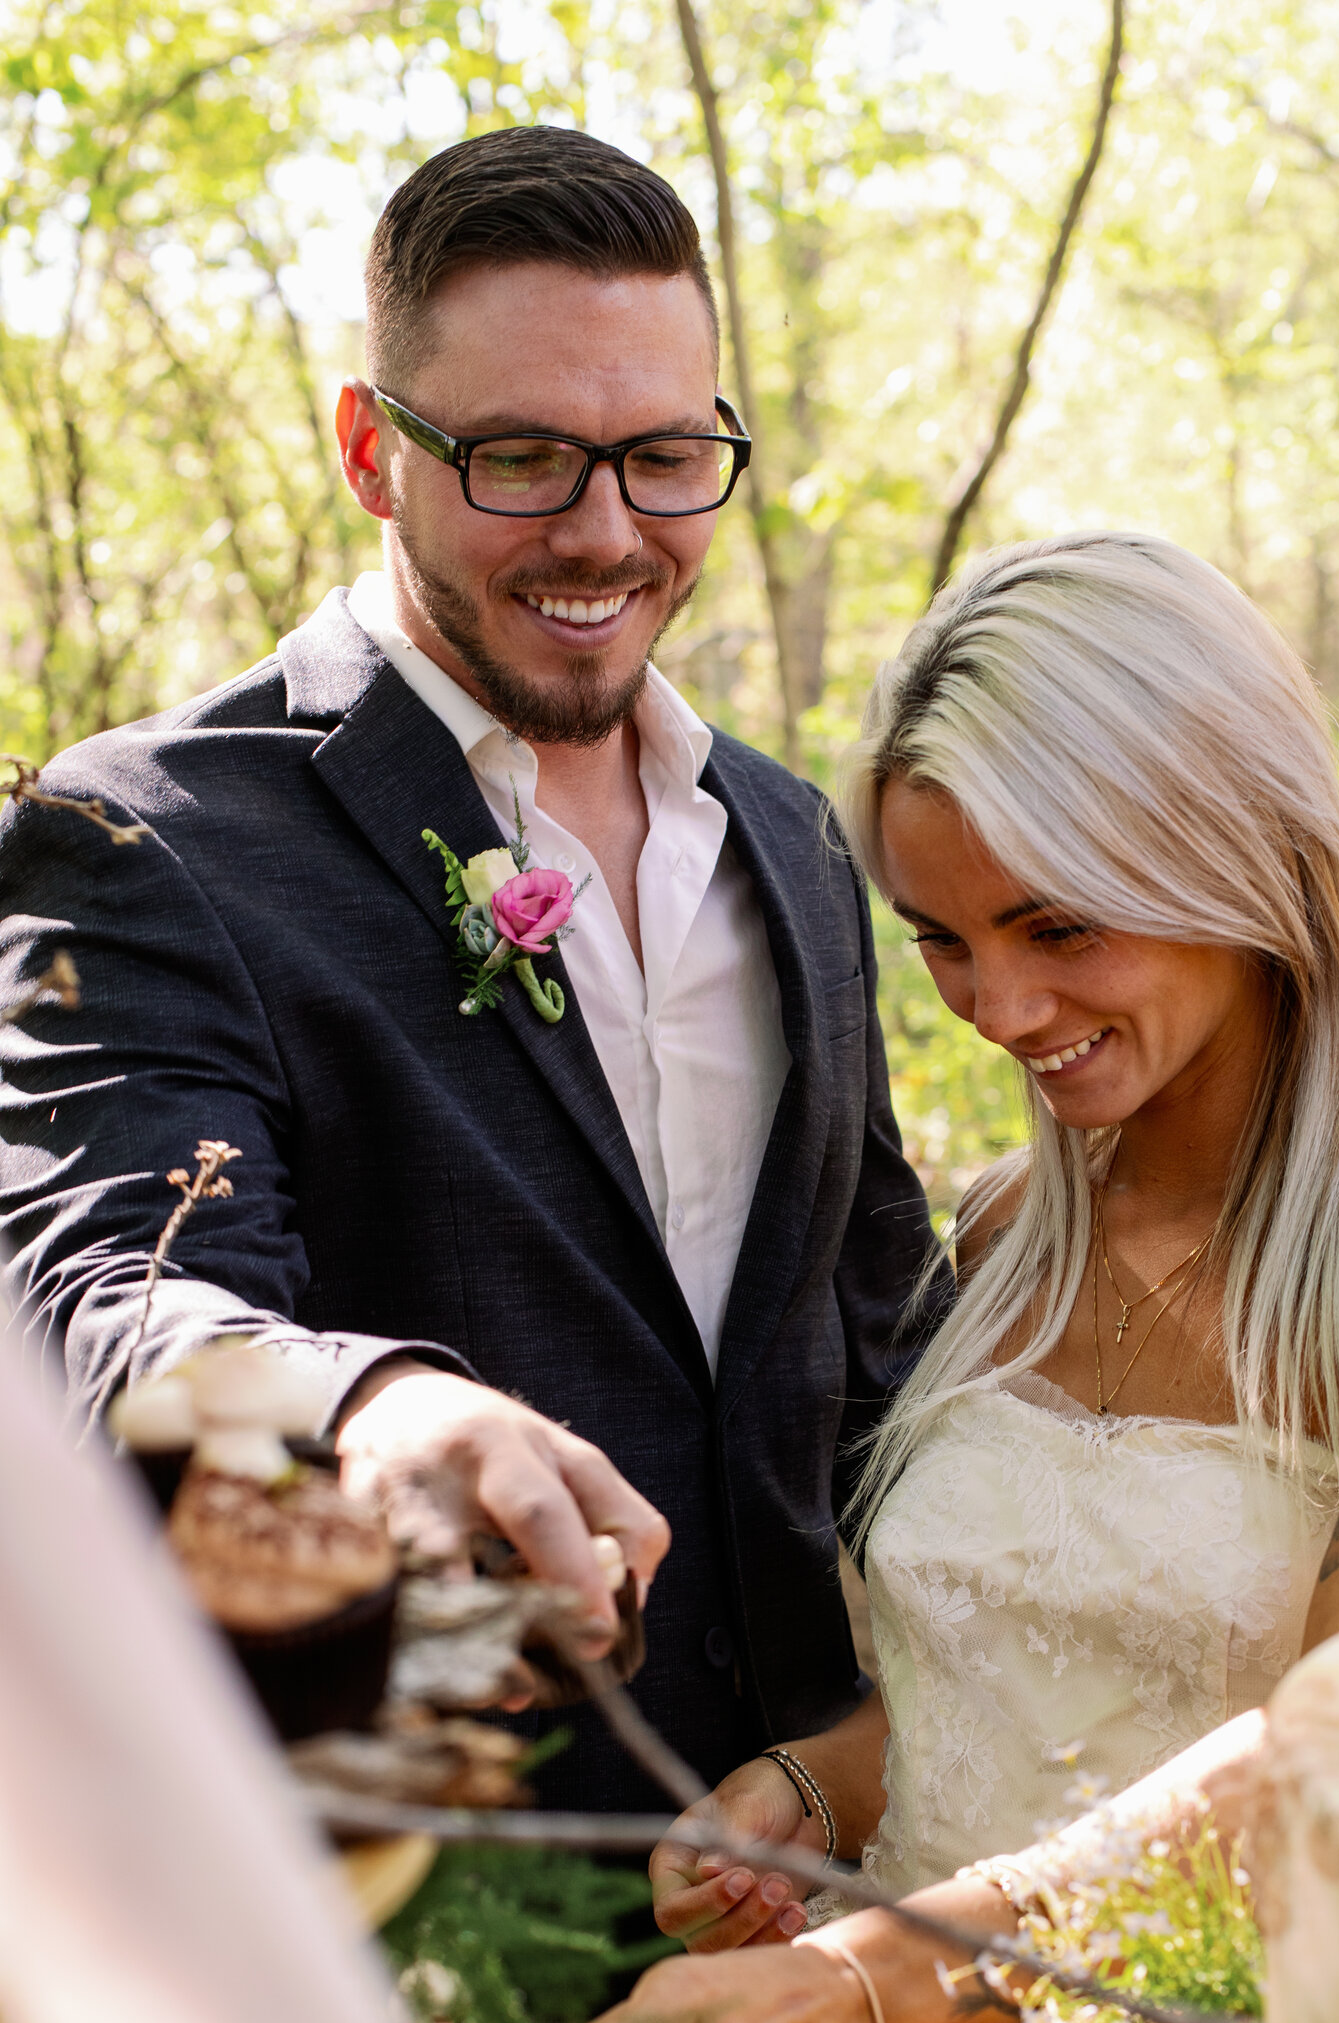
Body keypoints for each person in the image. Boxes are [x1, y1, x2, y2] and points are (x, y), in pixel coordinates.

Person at [494, 533, 1339, 2023]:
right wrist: (815, 1784)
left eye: (1058, 923)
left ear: (1237, 859)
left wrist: (872, 1990)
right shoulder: (999, 1231)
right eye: (941, 938)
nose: (997, 1006)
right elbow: (1001, 1667)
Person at [0, 126, 943, 1813]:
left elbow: (879, 1337)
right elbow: (92, 1295)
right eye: (519, 457)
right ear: (373, 450)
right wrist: (365, 1405)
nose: (604, 533)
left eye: (664, 455)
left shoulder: (795, 843)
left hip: (805, 1845)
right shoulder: (146, 837)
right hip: (418, 1871)